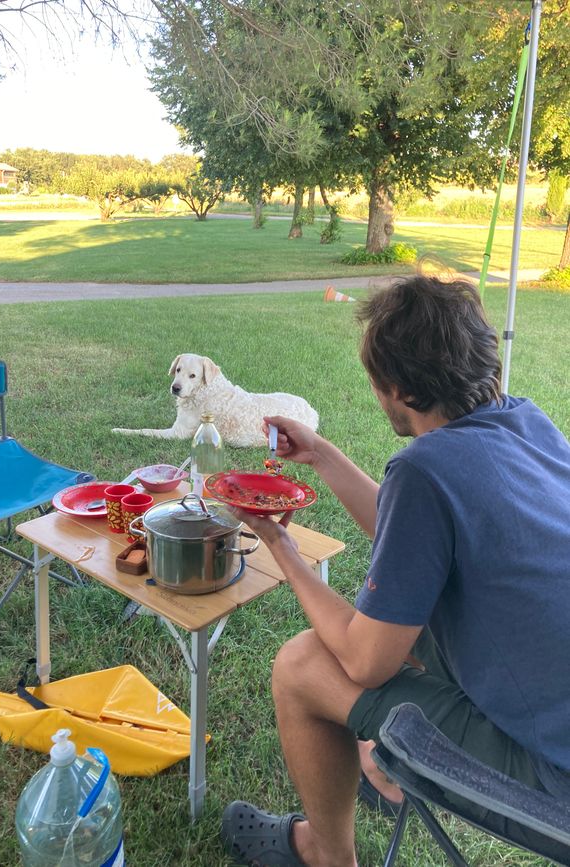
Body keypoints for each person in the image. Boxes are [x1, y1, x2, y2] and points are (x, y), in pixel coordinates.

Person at [219, 274, 570, 867]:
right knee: (408, 616)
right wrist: (322, 454)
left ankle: (326, 856)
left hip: (554, 780)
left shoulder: (426, 470)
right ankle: (384, 771)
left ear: (399, 388)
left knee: (302, 665)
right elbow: (417, 541)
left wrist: (276, 541)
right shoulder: (527, 423)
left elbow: (365, 660)